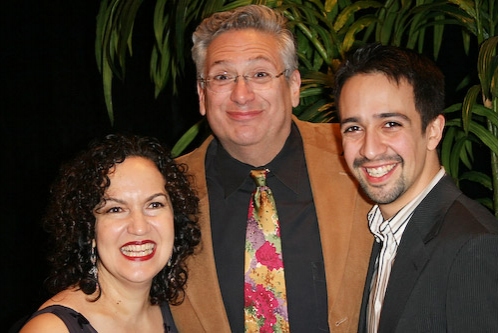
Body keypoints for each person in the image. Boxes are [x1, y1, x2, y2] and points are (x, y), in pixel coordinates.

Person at [170, 4, 373, 332]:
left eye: (260, 74)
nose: (241, 94)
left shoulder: (360, 157)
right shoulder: (166, 191)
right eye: (222, 77)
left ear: (294, 85)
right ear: (202, 94)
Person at [335, 43, 498, 333]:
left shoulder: (474, 247)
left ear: (433, 131)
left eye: (391, 124)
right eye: (354, 128)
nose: (370, 150)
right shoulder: (382, 233)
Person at [19, 134, 201, 333]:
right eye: (115, 209)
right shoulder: (52, 329)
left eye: (154, 204)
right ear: (88, 228)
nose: (139, 227)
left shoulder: (185, 314)